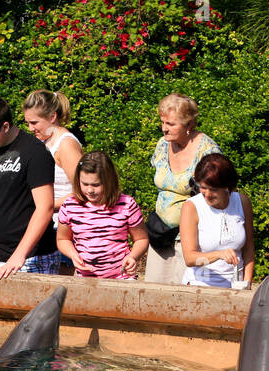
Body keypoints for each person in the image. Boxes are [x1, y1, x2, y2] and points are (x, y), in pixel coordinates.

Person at [0, 94, 59, 278]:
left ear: (5, 126)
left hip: (33, 257)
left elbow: (45, 207)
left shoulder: (34, 152)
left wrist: (20, 254)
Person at [146, 93, 220, 284]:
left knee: (183, 298)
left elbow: (217, 196)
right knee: (153, 298)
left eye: (170, 124)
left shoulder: (207, 151)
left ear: (189, 125)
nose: (164, 129)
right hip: (160, 235)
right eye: (163, 122)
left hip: (191, 239)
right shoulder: (162, 145)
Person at [55, 151, 146, 279]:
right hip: (86, 280)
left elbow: (141, 239)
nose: (90, 190)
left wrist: (132, 257)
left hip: (122, 279)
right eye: (85, 184)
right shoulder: (70, 206)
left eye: (96, 185)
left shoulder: (127, 204)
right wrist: (73, 255)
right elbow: (62, 239)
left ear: (109, 181)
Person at [179, 153, 254, 289]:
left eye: (213, 189)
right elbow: (189, 258)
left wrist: (247, 283)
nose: (207, 194)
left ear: (228, 187)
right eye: (203, 187)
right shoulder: (191, 207)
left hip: (236, 286)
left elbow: (248, 249)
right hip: (201, 285)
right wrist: (219, 254)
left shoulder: (243, 202)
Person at [22, 90, 83, 225]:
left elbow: (83, 190)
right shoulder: (45, 141)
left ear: (52, 117)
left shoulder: (66, 145)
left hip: (66, 226)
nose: (30, 128)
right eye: (28, 123)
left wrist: (45, 205)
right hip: (47, 224)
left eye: (34, 122)